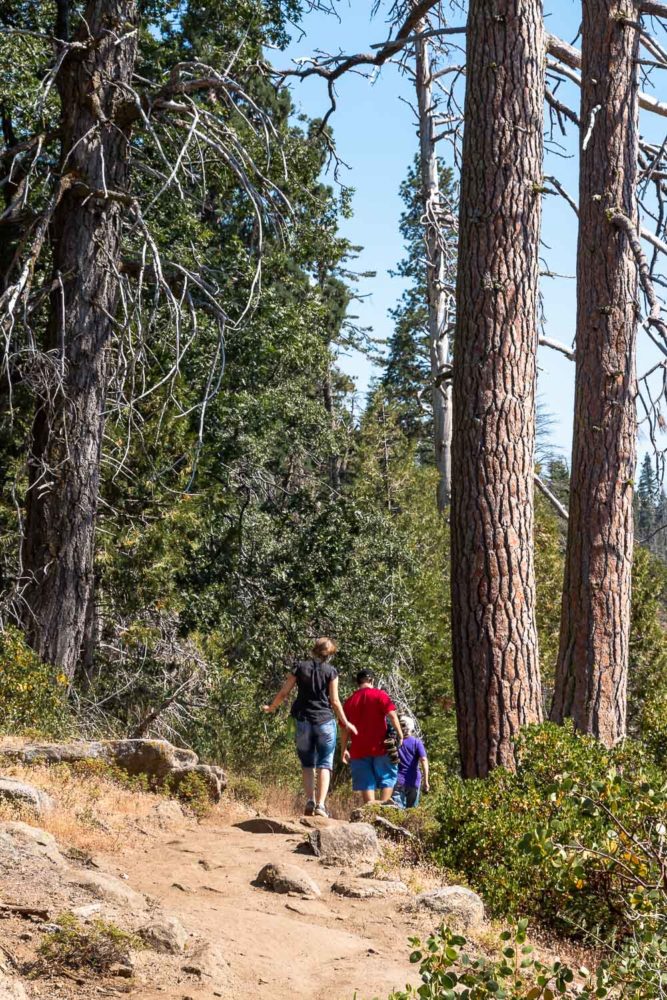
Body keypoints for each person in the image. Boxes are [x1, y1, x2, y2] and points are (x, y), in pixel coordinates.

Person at [263, 637, 356, 817]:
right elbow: (335, 701)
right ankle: (320, 806)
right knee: (325, 763)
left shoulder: (299, 667)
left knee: (307, 763)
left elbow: (284, 692)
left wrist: (271, 707)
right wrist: (346, 721)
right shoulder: (331, 671)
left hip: (302, 719)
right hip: (325, 721)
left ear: (314, 650)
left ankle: (310, 800)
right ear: (330, 655)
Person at [341, 669, 404, 804]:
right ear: (372, 680)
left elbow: (344, 729)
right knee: (387, 776)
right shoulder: (380, 695)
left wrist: (343, 749)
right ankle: (384, 811)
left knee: (366, 782)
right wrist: (400, 734)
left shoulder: (349, 701)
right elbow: (392, 715)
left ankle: (371, 814)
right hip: (381, 747)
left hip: (359, 749)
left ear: (357, 683)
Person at [392, 715, 429, 808]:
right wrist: (426, 781)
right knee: (411, 811)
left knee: (397, 810)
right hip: (413, 780)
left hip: (397, 780)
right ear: (411, 728)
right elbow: (424, 760)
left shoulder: (394, 742)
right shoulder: (417, 743)